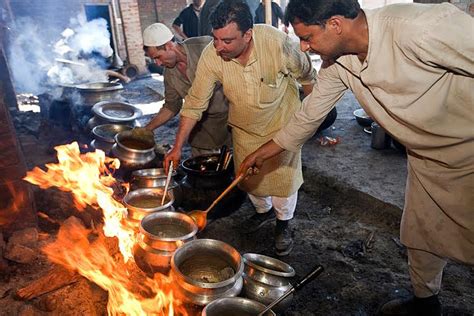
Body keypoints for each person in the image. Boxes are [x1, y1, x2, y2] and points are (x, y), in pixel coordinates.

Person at [238, 0, 474, 314]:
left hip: (469, 154)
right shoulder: (340, 63)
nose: (305, 47)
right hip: (425, 160)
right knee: (421, 235)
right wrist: (264, 152)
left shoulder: (421, 29)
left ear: (335, 24)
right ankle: (425, 302)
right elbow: (309, 115)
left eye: (307, 37)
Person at [164, 0, 316, 256]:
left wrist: (310, 123)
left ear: (248, 35)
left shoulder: (279, 44)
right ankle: (262, 212)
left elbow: (309, 79)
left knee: (283, 184)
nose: (218, 47)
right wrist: (177, 147)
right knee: (248, 179)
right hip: (244, 129)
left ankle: (282, 224)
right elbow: (194, 103)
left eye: (227, 41)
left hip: (281, 128)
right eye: (215, 39)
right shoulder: (212, 55)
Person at [142, 23, 231, 157]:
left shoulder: (205, 47)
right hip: (201, 130)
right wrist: (146, 129)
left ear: (168, 45)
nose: (158, 64)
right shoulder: (169, 74)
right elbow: (171, 106)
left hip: (230, 124)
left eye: (158, 57)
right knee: (203, 172)